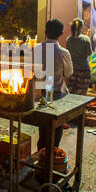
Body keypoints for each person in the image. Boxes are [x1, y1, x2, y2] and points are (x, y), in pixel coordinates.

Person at [36, 19, 73, 151]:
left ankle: (41, 155)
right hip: (58, 95)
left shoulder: (36, 49)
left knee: (43, 128)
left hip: (40, 95)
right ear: (61, 33)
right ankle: (51, 159)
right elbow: (68, 73)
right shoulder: (63, 52)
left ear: (46, 32)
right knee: (56, 131)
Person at [66, 18, 93, 95]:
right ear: (81, 27)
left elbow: (68, 53)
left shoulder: (69, 39)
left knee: (71, 92)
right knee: (81, 93)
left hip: (72, 69)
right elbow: (89, 53)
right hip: (84, 69)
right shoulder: (85, 39)